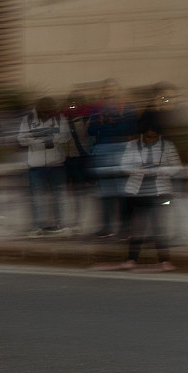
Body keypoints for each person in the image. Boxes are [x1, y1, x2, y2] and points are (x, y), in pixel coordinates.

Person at [117, 111, 181, 271]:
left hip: (160, 193)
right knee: (137, 228)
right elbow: (124, 166)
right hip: (136, 193)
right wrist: (139, 170)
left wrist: (161, 170)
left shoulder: (167, 146)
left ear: (159, 135)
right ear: (142, 134)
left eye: (154, 137)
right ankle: (132, 259)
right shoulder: (132, 146)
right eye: (147, 137)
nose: (151, 140)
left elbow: (176, 167)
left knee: (160, 227)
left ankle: (164, 260)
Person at [88, 79, 137, 238]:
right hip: (102, 148)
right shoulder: (98, 108)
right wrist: (103, 121)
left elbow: (132, 126)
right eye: (106, 88)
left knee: (122, 190)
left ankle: (125, 227)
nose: (109, 91)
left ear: (118, 90)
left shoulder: (126, 106)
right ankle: (106, 227)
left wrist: (113, 120)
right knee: (105, 191)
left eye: (112, 88)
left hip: (121, 148)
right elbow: (90, 130)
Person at [18, 96, 70, 237]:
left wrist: (53, 138)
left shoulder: (59, 118)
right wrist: (39, 140)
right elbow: (22, 139)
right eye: (44, 113)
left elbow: (66, 136)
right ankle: (37, 226)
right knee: (37, 197)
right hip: (36, 165)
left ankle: (59, 224)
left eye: (49, 112)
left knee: (59, 196)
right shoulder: (28, 119)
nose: (47, 115)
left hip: (57, 163)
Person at [63, 92, 94, 235]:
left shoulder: (85, 119)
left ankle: (78, 221)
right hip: (66, 159)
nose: (72, 106)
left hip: (79, 158)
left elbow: (86, 136)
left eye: (75, 103)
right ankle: (72, 221)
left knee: (79, 192)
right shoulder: (63, 119)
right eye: (71, 103)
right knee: (70, 193)